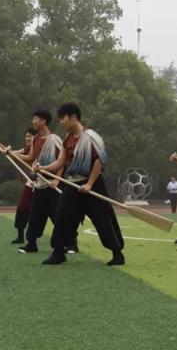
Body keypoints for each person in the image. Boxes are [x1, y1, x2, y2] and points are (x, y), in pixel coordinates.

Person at [34, 102, 125, 266]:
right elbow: (60, 161)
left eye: (63, 118)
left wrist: (89, 184)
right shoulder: (67, 138)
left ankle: (117, 254)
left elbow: (99, 160)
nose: (61, 122)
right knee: (62, 216)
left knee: (103, 218)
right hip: (72, 185)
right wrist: (43, 168)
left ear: (73, 117)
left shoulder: (91, 136)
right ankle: (58, 252)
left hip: (93, 184)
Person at [11, 110, 71, 255]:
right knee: (35, 214)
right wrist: (11, 154)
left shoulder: (54, 140)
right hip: (40, 183)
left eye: (36, 119)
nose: (33, 121)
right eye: (33, 119)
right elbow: (30, 157)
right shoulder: (35, 139)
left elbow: (61, 161)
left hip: (53, 183)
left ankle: (70, 243)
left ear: (43, 121)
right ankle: (31, 243)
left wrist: (57, 180)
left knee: (57, 215)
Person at [10, 128, 35, 244]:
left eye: (30, 136)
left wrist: (12, 153)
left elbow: (30, 157)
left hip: (43, 184)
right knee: (22, 208)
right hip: (31, 183)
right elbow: (13, 152)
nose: (27, 139)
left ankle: (70, 240)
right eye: (26, 136)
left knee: (51, 212)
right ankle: (20, 237)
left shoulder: (39, 148)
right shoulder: (25, 149)